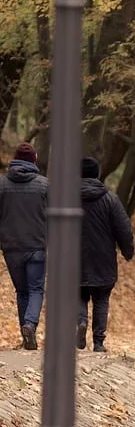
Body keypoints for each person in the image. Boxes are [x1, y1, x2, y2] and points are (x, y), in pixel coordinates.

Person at [76, 157, 135, 353]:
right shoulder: (110, 199)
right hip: (103, 260)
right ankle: (99, 342)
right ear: (97, 174)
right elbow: (124, 230)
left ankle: (81, 322)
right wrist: (128, 251)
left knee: (79, 294)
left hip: (74, 258)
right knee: (101, 299)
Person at [0, 143, 48, 350]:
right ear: (34, 161)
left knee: (22, 291)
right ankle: (29, 325)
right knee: (36, 288)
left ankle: (25, 334)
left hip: (11, 246)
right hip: (37, 245)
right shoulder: (45, 185)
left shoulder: (2, 185)